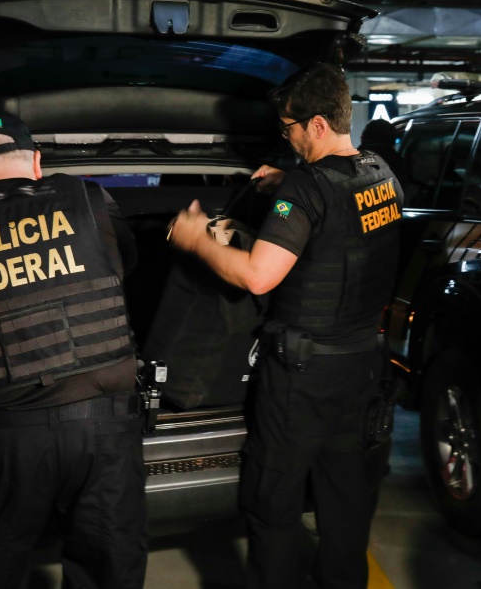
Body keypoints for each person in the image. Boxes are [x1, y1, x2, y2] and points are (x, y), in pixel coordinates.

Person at [168, 62, 403, 589]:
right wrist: (283, 184)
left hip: (302, 379)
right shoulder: (380, 173)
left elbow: (258, 277)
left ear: (317, 125)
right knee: (345, 499)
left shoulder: (306, 189)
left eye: (289, 127)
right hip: (361, 368)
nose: (286, 137)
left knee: (272, 502)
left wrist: (196, 240)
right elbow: (341, 223)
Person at [0, 114, 147, 589]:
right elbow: (126, 266)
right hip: (101, 425)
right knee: (110, 567)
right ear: (37, 162)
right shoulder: (89, 199)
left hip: (0, 437)